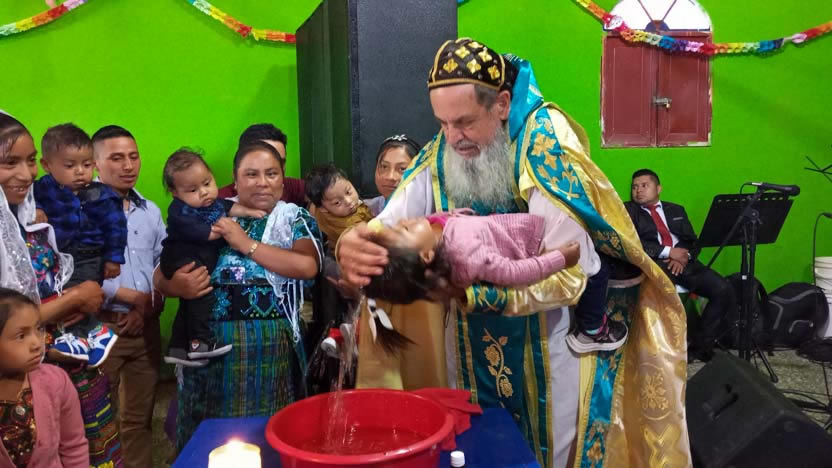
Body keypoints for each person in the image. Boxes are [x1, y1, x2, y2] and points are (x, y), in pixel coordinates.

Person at [336, 38, 690, 467]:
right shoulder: (445, 145)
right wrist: (353, 242)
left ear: (502, 104)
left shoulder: (544, 143)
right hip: (466, 344)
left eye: (464, 122)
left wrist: (474, 293)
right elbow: (392, 222)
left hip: (546, 343)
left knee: (540, 454)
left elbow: (569, 268)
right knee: (475, 449)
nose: (452, 139)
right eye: (442, 123)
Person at [156, 141, 322, 451]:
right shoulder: (207, 213)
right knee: (207, 441)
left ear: (282, 178)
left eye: (271, 173)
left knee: (267, 438)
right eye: (251, 174)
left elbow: (306, 266)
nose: (262, 182)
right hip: (207, 350)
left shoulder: (293, 218)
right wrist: (177, 286)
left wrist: (246, 244)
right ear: (235, 179)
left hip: (269, 353)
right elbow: (162, 272)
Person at [0, 113, 123, 468]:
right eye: (9, 162)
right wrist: (77, 298)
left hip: (72, 372)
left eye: (29, 160)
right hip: (22, 390)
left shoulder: (28, 220)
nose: (26, 174)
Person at [92, 124, 164, 468]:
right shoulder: (81, 212)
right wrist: (131, 297)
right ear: (95, 163)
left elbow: (164, 265)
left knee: (139, 420)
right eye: (117, 158)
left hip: (144, 327)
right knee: (97, 425)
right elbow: (77, 273)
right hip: (100, 328)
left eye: (133, 157)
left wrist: (144, 307)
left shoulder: (150, 211)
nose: (128, 165)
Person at [160, 148, 266, 367]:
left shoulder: (213, 203)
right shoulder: (179, 212)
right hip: (180, 260)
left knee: (188, 304)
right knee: (203, 297)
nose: (204, 193)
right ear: (175, 193)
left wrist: (248, 212)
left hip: (195, 261)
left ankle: (177, 349)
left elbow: (229, 207)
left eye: (207, 183)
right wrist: (228, 231)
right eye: (193, 190)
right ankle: (200, 343)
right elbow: (206, 233)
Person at [34, 123, 124, 366]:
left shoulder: (102, 194)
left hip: (89, 255)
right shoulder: (42, 188)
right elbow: (27, 203)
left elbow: (116, 227)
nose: (80, 172)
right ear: (47, 165)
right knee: (61, 297)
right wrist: (37, 209)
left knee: (78, 295)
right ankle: (80, 338)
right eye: (70, 166)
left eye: (86, 165)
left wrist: (113, 258)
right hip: (57, 255)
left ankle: (93, 332)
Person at [625, 168, 735, 361]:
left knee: (723, 289)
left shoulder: (676, 210)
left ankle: (701, 346)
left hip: (685, 262)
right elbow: (631, 243)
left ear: (658, 188)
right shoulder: (627, 211)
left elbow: (692, 240)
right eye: (635, 187)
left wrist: (682, 256)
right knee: (663, 294)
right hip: (654, 264)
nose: (638, 190)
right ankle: (663, 350)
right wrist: (668, 252)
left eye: (644, 185)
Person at [0, 288, 89, 468]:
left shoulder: (55, 382)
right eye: (21, 336)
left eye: (39, 329)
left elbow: (74, 446)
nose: (36, 343)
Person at [217, 124, 306, 206]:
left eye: (280, 162)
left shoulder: (290, 187)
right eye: (252, 174)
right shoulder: (218, 203)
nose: (263, 182)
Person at [305, 164, 374, 252]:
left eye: (348, 192)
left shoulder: (320, 207)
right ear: (323, 209)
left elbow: (314, 207)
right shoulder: (350, 226)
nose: (348, 201)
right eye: (337, 202)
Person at [365, 134, 421, 216]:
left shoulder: (429, 213)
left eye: (402, 169)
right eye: (384, 166)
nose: (390, 177)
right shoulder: (366, 210)